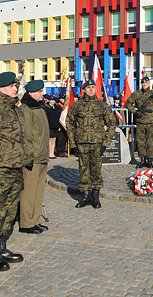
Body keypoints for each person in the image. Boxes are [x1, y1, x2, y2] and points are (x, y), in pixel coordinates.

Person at [0, 72, 29, 272]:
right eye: (11, 85)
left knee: (10, 210)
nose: (15, 88)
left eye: (15, 85)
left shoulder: (15, 110)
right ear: (0, 88)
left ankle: (2, 248)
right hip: (1, 169)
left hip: (15, 167)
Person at [66, 79, 116, 208]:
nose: (91, 89)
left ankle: (95, 197)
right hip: (81, 143)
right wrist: (73, 144)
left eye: (93, 87)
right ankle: (85, 196)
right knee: (83, 169)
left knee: (96, 170)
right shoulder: (77, 106)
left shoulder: (102, 105)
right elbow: (70, 124)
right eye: (88, 87)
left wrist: (106, 143)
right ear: (84, 90)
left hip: (97, 143)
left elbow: (111, 123)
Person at [19, 80, 49, 234]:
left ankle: (35, 219)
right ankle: (26, 222)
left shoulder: (39, 107)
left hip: (42, 155)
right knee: (29, 191)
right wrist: (29, 155)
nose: (42, 93)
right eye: (39, 91)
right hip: (33, 156)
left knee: (38, 191)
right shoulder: (26, 109)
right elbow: (26, 134)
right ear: (31, 93)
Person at [126, 76, 153, 168]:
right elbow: (128, 103)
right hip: (140, 121)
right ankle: (142, 160)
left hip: (151, 121)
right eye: (143, 83)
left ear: (149, 84)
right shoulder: (137, 94)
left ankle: (149, 160)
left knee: (150, 141)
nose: (144, 84)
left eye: (146, 83)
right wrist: (135, 112)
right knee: (141, 142)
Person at [44, 94, 61, 159]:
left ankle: (52, 152)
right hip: (49, 125)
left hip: (55, 125)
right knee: (49, 139)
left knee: (54, 139)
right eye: (51, 100)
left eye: (54, 100)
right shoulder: (46, 107)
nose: (53, 101)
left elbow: (58, 117)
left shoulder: (56, 107)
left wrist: (59, 126)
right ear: (49, 101)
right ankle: (49, 153)